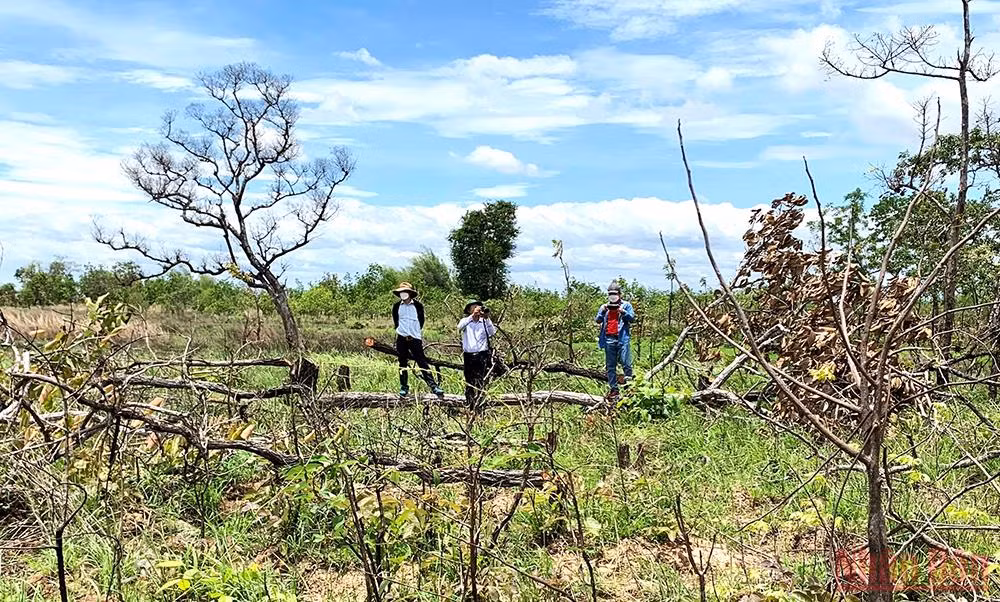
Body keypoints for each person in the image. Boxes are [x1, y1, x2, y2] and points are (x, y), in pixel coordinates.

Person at [391, 281, 445, 398]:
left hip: (415, 337)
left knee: (422, 362)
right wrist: (401, 330)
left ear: (410, 293)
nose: (403, 294)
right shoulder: (396, 307)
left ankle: (433, 386)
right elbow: (396, 321)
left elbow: (421, 321)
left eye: (405, 292)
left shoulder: (418, 306)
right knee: (402, 363)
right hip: (401, 338)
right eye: (401, 292)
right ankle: (404, 386)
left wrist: (414, 332)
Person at [595, 281, 635, 399]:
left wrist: (623, 312)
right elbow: (598, 320)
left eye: (615, 293)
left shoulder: (626, 305)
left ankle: (629, 387)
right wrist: (603, 311)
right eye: (610, 294)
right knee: (610, 366)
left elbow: (632, 318)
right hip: (609, 339)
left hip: (622, 338)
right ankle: (614, 389)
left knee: (626, 363)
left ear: (619, 294)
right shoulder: (605, 306)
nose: (612, 296)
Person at [458, 300, 497, 408]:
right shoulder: (465, 321)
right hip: (469, 355)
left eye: (478, 307)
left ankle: (480, 405)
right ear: (469, 310)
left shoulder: (484, 322)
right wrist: (472, 317)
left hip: (482, 355)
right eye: (474, 307)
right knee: (469, 381)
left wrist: (487, 318)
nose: (477, 309)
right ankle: (469, 405)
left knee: (481, 380)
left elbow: (492, 333)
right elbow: (459, 327)